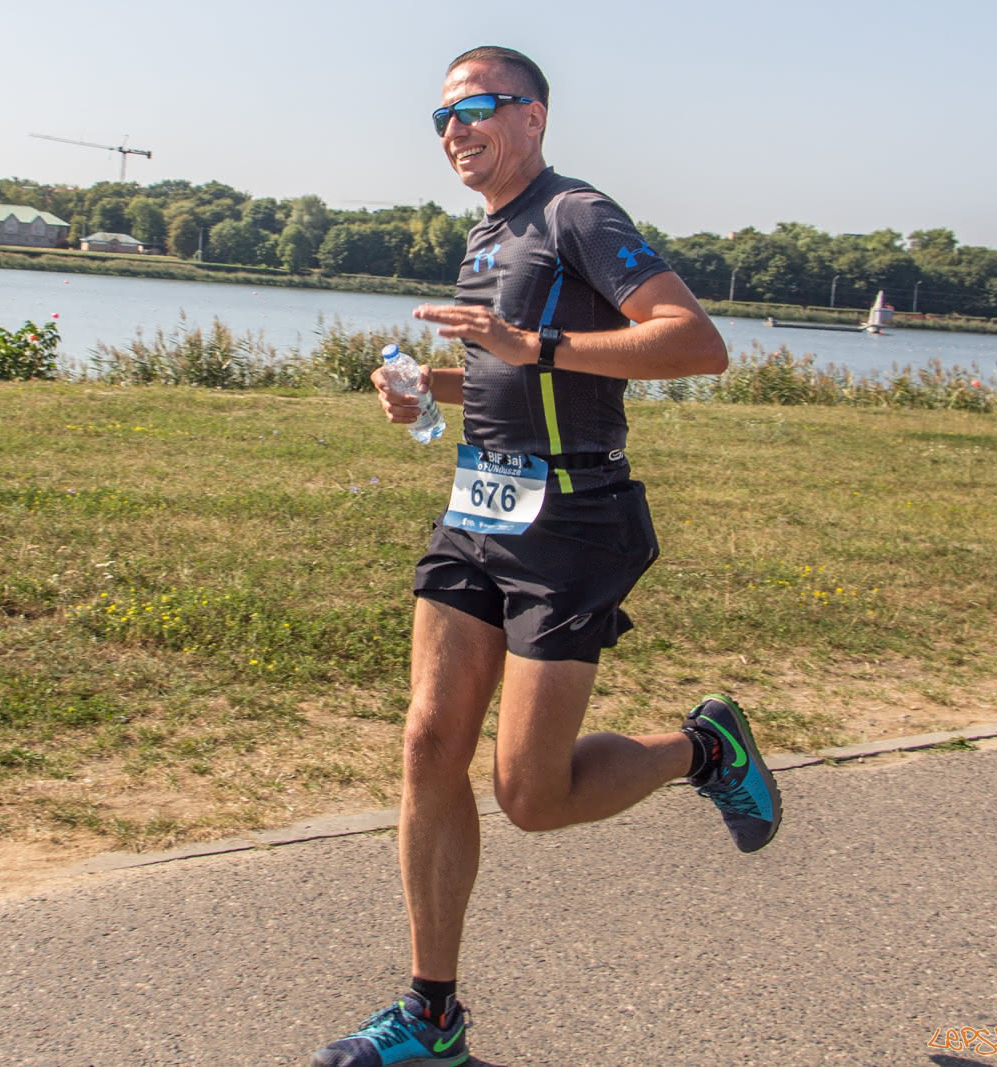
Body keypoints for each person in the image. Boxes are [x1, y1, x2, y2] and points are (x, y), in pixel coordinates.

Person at [309, 46, 783, 1067]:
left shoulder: (577, 213)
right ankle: (431, 1018)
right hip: (476, 505)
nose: (455, 128)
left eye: (477, 106)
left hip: (571, 521)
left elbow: (695, 342)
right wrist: (426, 385)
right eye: (442, 116)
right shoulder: (488, 231)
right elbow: (508, 372)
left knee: (532, 794)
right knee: (428, 741)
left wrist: (540, 347)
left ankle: (703, 749)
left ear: (533, 116)